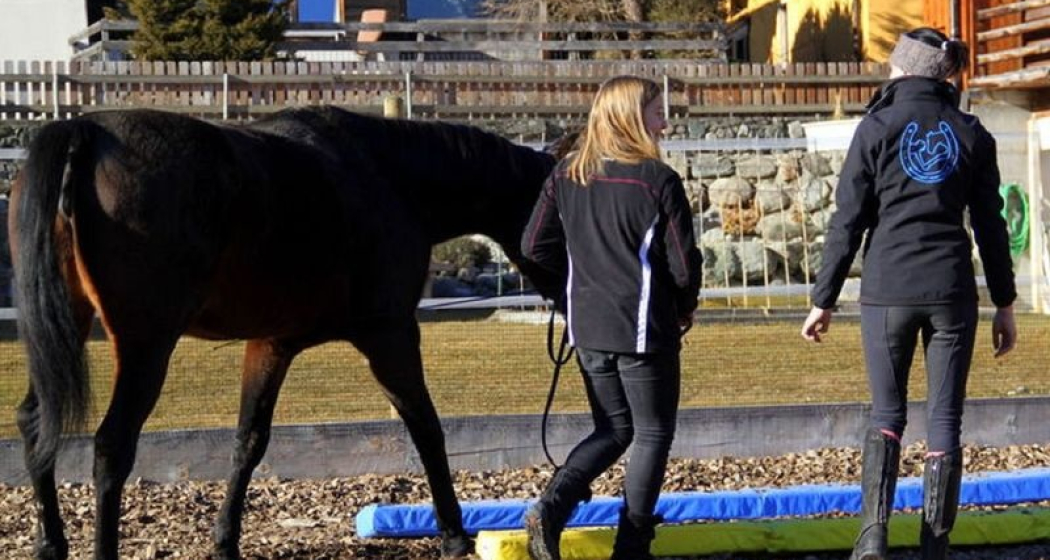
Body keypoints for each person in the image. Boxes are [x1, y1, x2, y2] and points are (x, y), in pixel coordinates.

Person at [800, 28, 1018, 560]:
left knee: (886, 414)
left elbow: (847, 221)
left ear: (905, 69)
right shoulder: (972, 133)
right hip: (951, 289)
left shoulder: (876, 127)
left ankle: (872, 536)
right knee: (945, 420)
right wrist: (1005, 303)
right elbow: (991, 225)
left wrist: (822, 298)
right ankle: (934, 546)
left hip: (888, 289)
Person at [519, 75, 702, 560]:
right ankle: (632, 545)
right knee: (652, 432)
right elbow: (684, 264)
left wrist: (581, 282)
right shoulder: (657, 180)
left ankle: (551, 507)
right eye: (657, 111)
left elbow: (532, 245)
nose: (665, 121)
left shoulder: (565, 174)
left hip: (589, 328)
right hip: (644, 328)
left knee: (613, 429)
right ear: (630, 117)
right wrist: (685, 309)